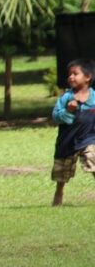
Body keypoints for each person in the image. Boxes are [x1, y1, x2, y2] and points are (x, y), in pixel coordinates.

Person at [51, 59, 95, 206]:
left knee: (93, 159)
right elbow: (56, 117)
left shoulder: (94, 98)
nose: (71, 77)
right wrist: (68, 110)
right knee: (62, 172)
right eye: (69, 74)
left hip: (89, 138)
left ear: (88, 77)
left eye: (75, 74)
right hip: (67, 142)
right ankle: (59, 191)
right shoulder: (66, 98)